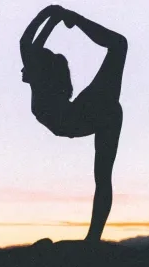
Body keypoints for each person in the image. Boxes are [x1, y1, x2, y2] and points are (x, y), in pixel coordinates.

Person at [20, 5, 128, 241]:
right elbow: (29, 45)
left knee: (119, 45)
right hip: (91, 115)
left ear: (39, 69)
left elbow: (26, 42)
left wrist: (51, 14)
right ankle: (93, 238)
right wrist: (56, 16)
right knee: (119, 45)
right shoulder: (43, 83)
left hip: (81, 117)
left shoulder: (40, 83)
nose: (22, 68)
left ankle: (93, 239)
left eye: (27, 65)